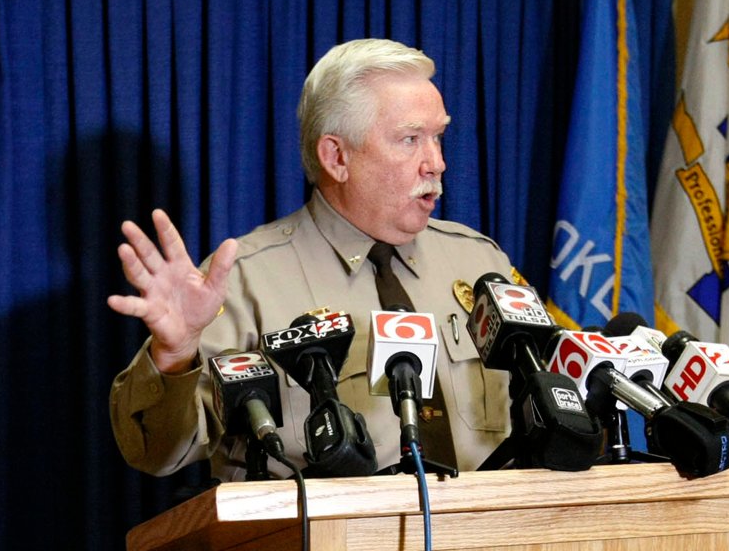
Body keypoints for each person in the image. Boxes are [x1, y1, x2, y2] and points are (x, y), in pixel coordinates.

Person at [108, 39, 514, 481]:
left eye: (438, 138)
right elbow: (157, 453)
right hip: (329, 546)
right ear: (337, 157)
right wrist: (175, 356)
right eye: (410, 140)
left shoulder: (477, 261)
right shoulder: (246, 279)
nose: (436, 163)